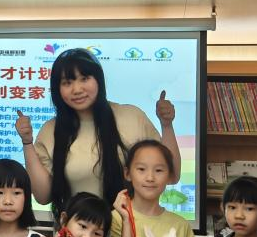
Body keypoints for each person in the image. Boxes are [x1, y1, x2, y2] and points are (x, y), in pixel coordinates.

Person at [18, 48, 180, 215]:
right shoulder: (50, 131)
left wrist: (166, 125)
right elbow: (43, 196)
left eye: (84, 79)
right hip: (77, 228)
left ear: (98, 80)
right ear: (57, 89)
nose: (77, 89)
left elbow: (172, 175)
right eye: (67, 83)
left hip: (131, 227)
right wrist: (27, 142)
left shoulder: (132, 117)